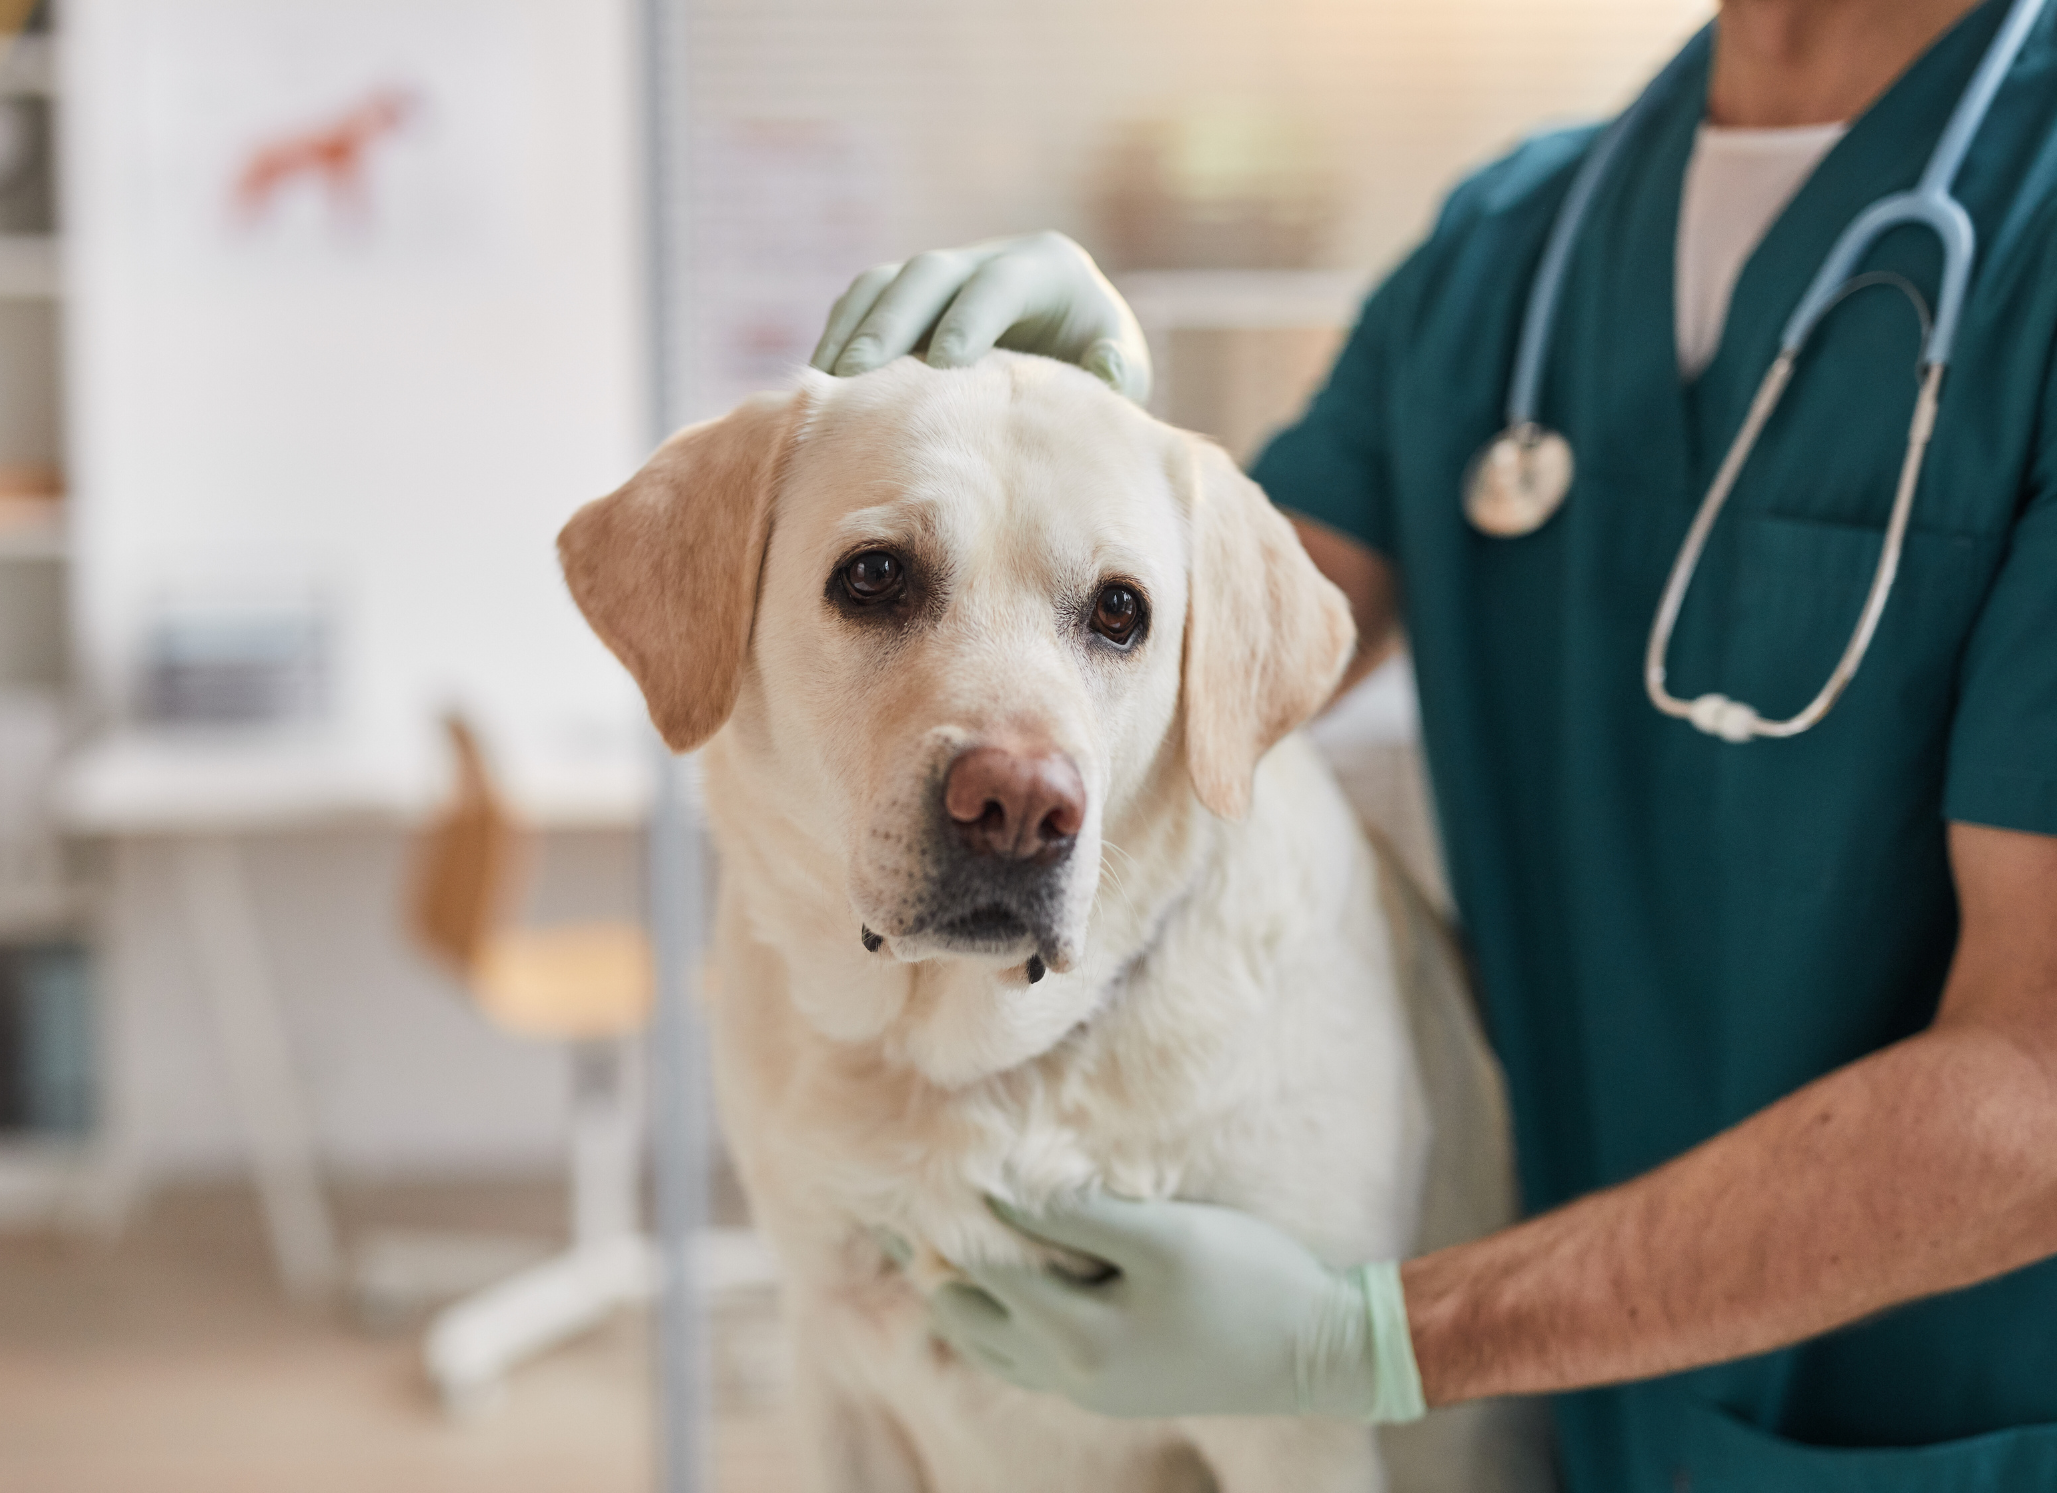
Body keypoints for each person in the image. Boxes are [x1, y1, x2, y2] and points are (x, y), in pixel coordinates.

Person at [806, 0, 2057, 1486]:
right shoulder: (1510, 249)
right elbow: (1209, 661)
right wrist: (1081, 455)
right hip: (1569, 1420)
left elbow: (2039, 1075)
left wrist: (1373, 1339)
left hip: (1935, 1416)